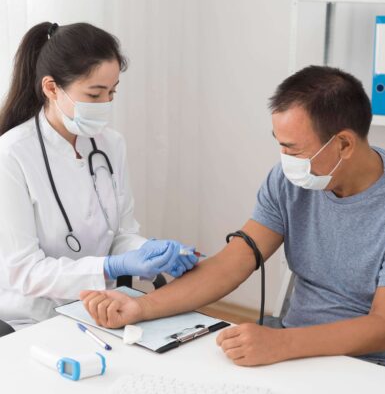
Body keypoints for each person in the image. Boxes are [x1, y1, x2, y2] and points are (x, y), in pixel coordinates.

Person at [81, 65, 385, 366]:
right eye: (280, 146)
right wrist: (140, 307)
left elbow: (381, 327)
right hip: (293, 352)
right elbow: (232, 264)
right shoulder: (288, 182)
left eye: (293, 150)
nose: (285, 161)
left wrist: (280, 342)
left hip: (366, 365)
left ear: (344, 144)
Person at [0, 22, 198, 330]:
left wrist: (147, 251)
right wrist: (111, 266)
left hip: (102, 309)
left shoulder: (110, 145)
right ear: (51, 88)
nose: (106, 104)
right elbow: (25, 272)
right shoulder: (11, 155)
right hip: (32, 320)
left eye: (112, 92)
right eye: (95, 94)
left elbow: (120, 234)